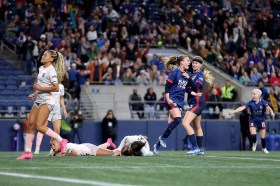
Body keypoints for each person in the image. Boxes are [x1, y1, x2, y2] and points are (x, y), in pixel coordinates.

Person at [16, 50, 68, 160]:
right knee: (31, 123)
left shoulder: (52, 71)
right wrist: (35, 93)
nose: (43, 56)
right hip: (39, 99)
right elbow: (43, 84)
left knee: (39, 126)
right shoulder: (41, 68)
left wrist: (40, 88)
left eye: (45, 55)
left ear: (51, 59)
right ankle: (28, 153)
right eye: (43, 54)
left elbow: (56, 87)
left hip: (48, 100)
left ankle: (61, 140)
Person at [153, 55, 191, 154]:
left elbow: (186, 89)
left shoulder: (187, 74)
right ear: (182, 62)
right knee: (178, 119)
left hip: (180, 102)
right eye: (188, 60)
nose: (189, 62)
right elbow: (167, 86)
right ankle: (162, 138)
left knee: (171, 124)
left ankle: (157, 144)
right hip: (171, 99)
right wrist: (168, 98)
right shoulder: (175, 72)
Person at [182, 56, 214, 155]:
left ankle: (195, 147)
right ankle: (200, 150)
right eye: (193, 63)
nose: (194, 64)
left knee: (185, 123)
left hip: (197, 102)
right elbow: (187, 89)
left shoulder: (200, 75)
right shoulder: (192, 74)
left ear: (200, 65)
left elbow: (196, 88)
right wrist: (190, 89)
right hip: (194, 101)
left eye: (197, 63)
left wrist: (189, 80)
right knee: (197, 127)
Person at [229, 89, 275, 154]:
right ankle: (254, 142)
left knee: (263, 137)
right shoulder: (250, 102)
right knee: (253, 135)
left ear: (259, 95)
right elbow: (242, 108)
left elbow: (269, 108)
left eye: (254, 94)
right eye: (252, 94)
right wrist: (233, 111)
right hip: (253, 120)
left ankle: (264, 148)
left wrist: (272, 112)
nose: (253, 95)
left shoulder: (263, 102)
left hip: (261, 121)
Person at [35, 83, 68, 154]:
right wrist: (35, 94)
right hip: (47, 109)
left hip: (56, 110)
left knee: (57, 131)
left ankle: (52, 150)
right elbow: (40, 91)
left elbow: (61, 98)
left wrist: (64, 109)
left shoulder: (61, 86)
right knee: (42, 128)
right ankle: (37, 149)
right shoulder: (48, 83)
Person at [50, 138, 120, 156]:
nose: (52, 147)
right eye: (51, 145)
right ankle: (108, 143)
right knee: (99, 150)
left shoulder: (66, 147)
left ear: (59, 143)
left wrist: (64, 155)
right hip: (87, 149)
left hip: (89, 149)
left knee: (112, 153)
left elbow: (75, 153)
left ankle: (123, 149)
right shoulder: (63, 147)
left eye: (54, 144)